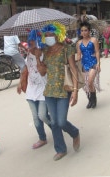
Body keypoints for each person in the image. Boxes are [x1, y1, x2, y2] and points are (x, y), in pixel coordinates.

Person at [40, 22, 80, 161]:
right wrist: (38, 58)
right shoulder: (44, 51)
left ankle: (75, 132)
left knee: (61, 122)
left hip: (64, 90)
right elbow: (42, 72)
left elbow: (74, 70)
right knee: (54, 122)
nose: (49, 37)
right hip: (49, 91)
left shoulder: (66, 49)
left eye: (51, 34)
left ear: (57, 35)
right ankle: (61, 149)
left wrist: (75, 91)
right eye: (47, 35)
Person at [17, 30, 51, 149]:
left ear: (38, 43)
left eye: (32, 43)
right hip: (31, 90)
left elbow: (42, 73)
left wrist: (37, 58)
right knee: (36, 117)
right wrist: (20, 83)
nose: (29, 46)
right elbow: (26, 69)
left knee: (43, 115)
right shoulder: (28, 55)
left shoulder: (45, 55)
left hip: (43, 89)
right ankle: (42, 138)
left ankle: (56, 128)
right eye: (29, 43)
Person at [76, 21, 101, 109]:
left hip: (93, 63)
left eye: (85, 30)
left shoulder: (94, 40)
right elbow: (79, 55)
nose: (84, 32)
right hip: (84, 64)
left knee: (90, 81)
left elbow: (97, 52)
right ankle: (90, 100)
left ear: (89, 31)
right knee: (85, 84)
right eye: (82, 30)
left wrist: (98, 63)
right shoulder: (79, 43)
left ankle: (94, 99)